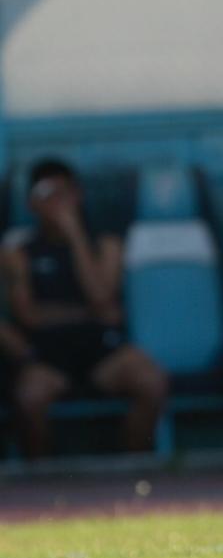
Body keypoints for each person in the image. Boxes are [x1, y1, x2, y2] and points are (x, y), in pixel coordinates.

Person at [1, 159, 168, 458]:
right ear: (32, 204)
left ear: (78, 196)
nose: (59, 203)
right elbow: (29, 315)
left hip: (103, 350)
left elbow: (101, 296)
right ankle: (43, 483)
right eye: (49, 195)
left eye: (66, 193)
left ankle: (137, 474)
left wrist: (75, 235)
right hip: (48, 355)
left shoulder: (106, 245)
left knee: (152, 381)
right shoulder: (18, 253)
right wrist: (88, 312)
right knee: (28, 398)